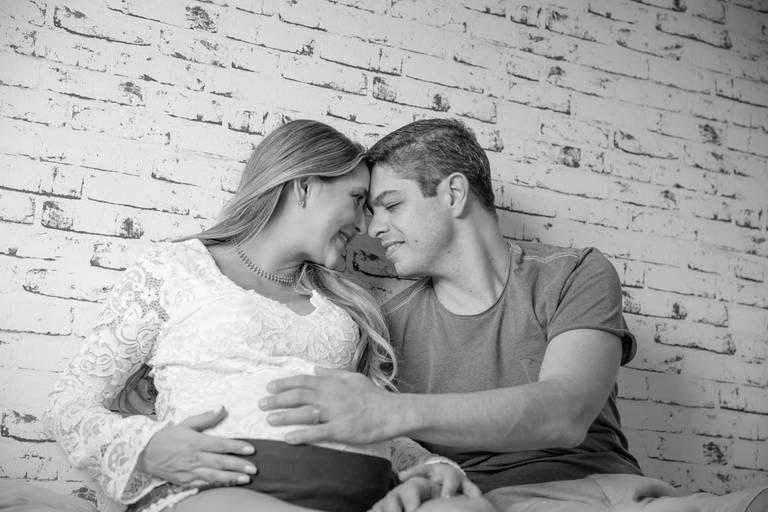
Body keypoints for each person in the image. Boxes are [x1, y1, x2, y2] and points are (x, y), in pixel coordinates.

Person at [259, 118, 768, 512]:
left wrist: (390, 412)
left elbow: (565, 414)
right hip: (482, 502)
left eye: (391, 205)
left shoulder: (574, 274)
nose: (374, 229)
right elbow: (388, 449)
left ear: (454, 194)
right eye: (369, 212)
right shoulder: (385, 324)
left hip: (607, 492)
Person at [43, 120, 485, 512]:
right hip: (218, 490)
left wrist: (429, 465)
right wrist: (148, 447)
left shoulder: (344, 306)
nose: (364, 226)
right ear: (304, 187)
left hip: (361, 493)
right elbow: (68, 405)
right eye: (356, 200)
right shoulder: (174, 270)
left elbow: (366, 415)